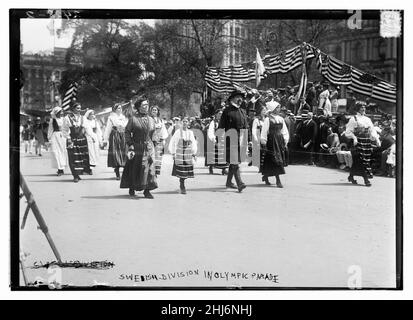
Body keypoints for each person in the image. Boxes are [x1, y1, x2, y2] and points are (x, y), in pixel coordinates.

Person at [120, 96, 158, 198]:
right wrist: (130, 144)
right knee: (135, 167)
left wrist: (154, 143)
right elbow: (127, 132)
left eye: (147, 105)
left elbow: (153, 133)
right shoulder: (133, 119)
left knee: (149, 169)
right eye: (144, 105)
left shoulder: (151, 119)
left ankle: (147, 190)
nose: (146, 107)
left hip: (148, 147)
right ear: (138, 107)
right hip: (136, 147)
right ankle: (132, 187)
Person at [218, 89, 249, 192]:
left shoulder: (243, 111)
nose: (240, 99)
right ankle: (240, 183)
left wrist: (247, 140)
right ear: (232, 99)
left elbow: (246, 127)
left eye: (241, 97)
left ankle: (228, 182)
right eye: (238, 97)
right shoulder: (227, 111)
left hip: (240, 140)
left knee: (234, 162)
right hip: (229, 139)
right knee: (235, 161)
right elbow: (221, 126)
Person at [345, 102, 381, 186]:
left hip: (366, 142)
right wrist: (354, 138)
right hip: (357, 142)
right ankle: (366, 180)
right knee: (361, 160)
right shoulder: (353, 119)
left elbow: (372, 130)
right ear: (358, 108)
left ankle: (351, 176)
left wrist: (377, 139)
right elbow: (348, 132)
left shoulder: (368, 119)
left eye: (364, 107)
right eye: (361, 107)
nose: (363, 109)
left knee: (363, 160)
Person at [260, 102, 289, 187]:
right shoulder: (267, 119)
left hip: (279, 141)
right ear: (273, 109)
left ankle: (265, 176)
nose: (278, 109)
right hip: (271, 141)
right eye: (277, 108)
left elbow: (284, 130)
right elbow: (264, 131)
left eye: (279, 107)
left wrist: (285, 140)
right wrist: (264, 142)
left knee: (271, 160)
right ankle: (278, 180)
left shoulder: (281, 119)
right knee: (275, 160)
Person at [62, 103, 92, 182]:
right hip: (72, 140)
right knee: (73, 158)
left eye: (80, 108)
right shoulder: (67, 118)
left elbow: (88, 129)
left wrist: (92, 137)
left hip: (82, 140)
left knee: (82, 157)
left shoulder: (83, 118)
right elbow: (64, 130)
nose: (79, 110)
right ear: (73, 109)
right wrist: (68, 138)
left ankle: (79, 173)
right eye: (77, 108)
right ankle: (75, 175)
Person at [169, 117, 198, 194]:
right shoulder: (178, 132)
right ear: (181, 123)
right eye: (183, 122)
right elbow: (173, 142)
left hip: (187, 153)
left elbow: (193, 143)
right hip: (180, 153)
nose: (185, 123)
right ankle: (182, 185)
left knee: (185, 171)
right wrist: (173, 153)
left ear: (188, 123)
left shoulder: (190, 132)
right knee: (181, 171)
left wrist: (194, 153)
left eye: (186, 122)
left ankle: (182, 183)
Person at [104, 103, 128, 180]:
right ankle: (117, 172)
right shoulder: (111, 117)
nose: (120, 109)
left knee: (124, 154)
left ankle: (124, 173)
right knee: (116, 154)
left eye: (121, 108)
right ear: (114, 109)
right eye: (118, 108)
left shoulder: (124, 117)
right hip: (115, 136)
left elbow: (127, 127)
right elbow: (108, 129)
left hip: (123, 136)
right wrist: (105, 139)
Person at [207, 109, 228, 175]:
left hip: (223, 140)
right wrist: (214, 139)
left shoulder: (224, 122)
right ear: (216, 114)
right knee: (214, 155)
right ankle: (211, 167)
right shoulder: (213, 122)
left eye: (221, 113)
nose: (220, 115)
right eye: (219, 113)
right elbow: (210, 132)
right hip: (216, 140)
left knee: (223, 154)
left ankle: (224, 169)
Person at [47, 107, 67, 176]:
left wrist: (67, 136)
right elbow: (50, 130)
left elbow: (67, 128)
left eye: (61, 112)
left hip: (62, 137)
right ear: (56, 113)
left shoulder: (64, 119)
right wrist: (49, 139)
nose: (61, 113)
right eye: (59, 112)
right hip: (55, 136)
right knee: (55, 152)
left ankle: (62, 168)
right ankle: (59, 169)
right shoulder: (52, 120)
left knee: (62, 152)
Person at [150, 105, 169, 176]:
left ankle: (156, 172)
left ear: (158, 111)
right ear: (151, 111)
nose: (154, 111)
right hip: (151, 140)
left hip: (159, 141)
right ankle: (151, 171)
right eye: (153, 110)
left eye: (155, 110)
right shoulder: (149, 119)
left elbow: (164, 130)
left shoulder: (160, 120)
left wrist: (163, 138)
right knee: (151, 156)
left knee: (158, 157)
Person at [251, 105, 267, 172]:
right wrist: (255, 138)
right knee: (258, 153)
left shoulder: (266, 119)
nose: (264, 112)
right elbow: (253, 130)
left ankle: (263, 167)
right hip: (258, 138)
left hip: (264, 138)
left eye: (265, 110)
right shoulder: (256, 120)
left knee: (264, 153)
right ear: (260, 111)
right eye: (263, 110)